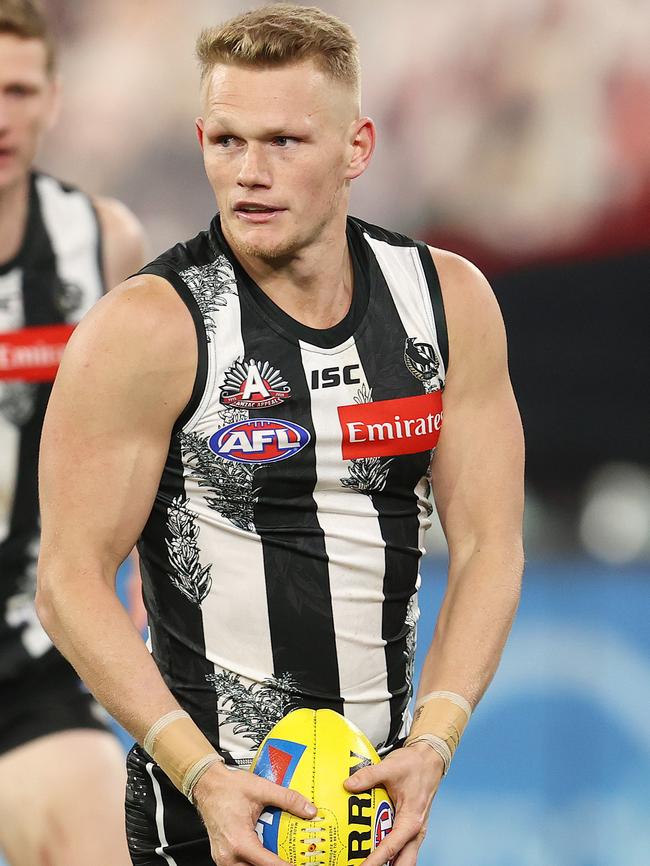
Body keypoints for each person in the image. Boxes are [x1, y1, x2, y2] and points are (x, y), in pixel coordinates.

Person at [36, 5, 524, 866]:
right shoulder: (147, 331)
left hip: (370, 819)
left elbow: (489, 543)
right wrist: (202, 775)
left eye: (285, 142)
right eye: (226, 141)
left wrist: (432, 745)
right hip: (204, 819)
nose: (249, 173)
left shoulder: (448, 305)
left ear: (357, 149)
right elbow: (70, 583)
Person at [0, 2, 146, 864]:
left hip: (33, 653)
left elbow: (148, 434)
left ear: (54, 98)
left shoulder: (101, 243)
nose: (1, 116)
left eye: (19, 90)